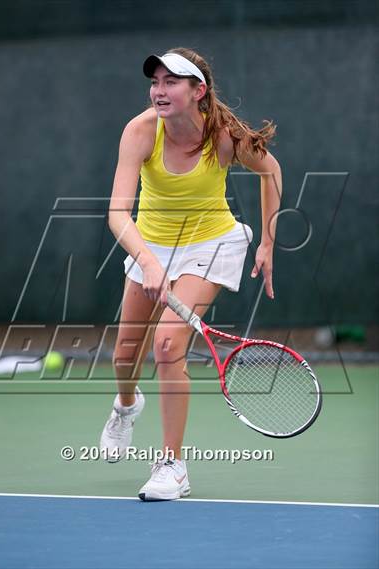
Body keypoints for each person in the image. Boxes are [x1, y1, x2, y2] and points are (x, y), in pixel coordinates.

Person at [100, 47, 282, 501]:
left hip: (210, 244)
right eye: (155, 82)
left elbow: (271, 170)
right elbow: (117, 214)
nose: (159, 91)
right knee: (125, 356)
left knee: (166, 343)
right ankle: (126, 405)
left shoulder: (224, 136)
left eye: (171, 82)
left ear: (197, 91)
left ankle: (172, 466)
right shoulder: (140, 132)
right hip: (152, 244)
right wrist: (148, 260)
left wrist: (267, 242)